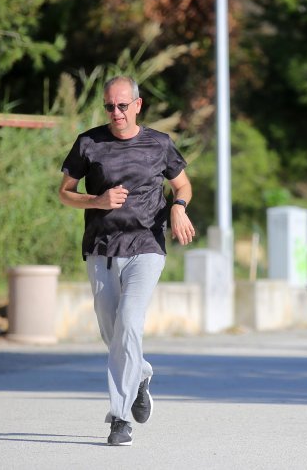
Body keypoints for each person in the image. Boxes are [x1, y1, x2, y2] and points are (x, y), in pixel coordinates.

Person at [58, 76, 196, 446]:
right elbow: (65, 194)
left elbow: (182, 185)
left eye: (122, 106)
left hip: (146, 247)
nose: (115, 113)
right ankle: (141, 376)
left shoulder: (159, 144)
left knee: (130, 323)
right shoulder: (89, 143)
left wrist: (178, 208)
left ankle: (119, 419)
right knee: (112, 331)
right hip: (101, 249)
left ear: (138, 105)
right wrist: (98, 201)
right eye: (108, 106)